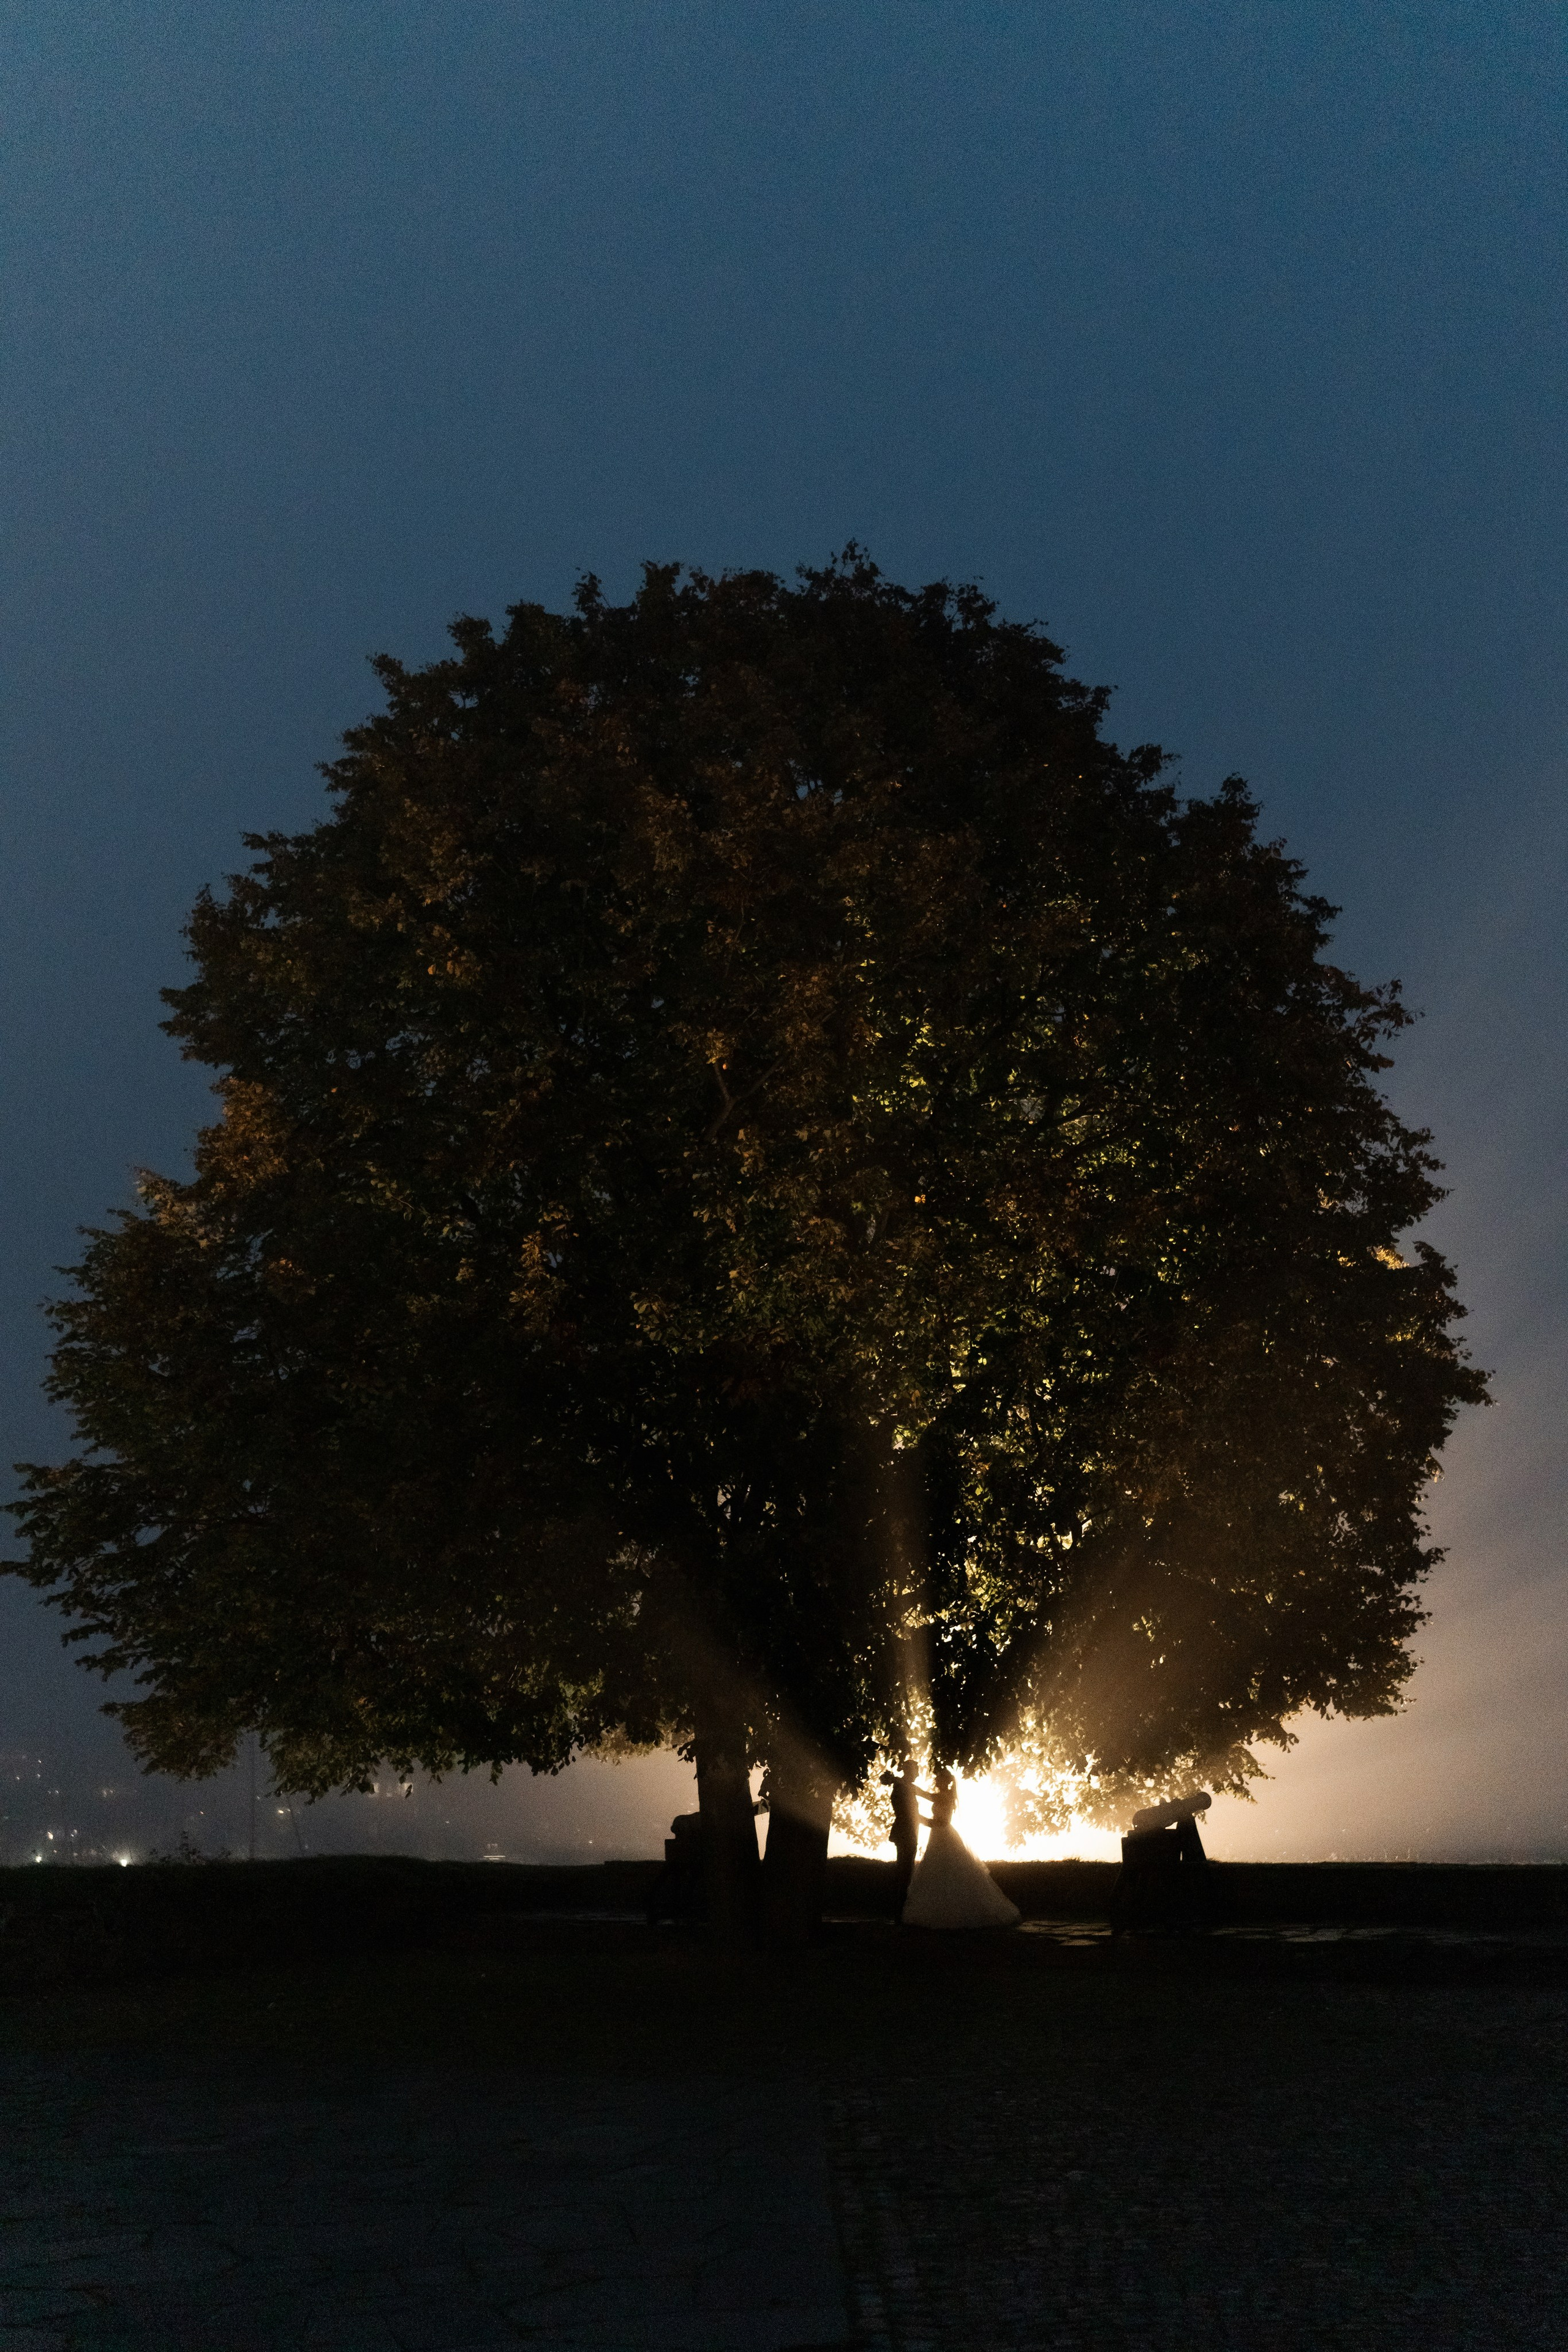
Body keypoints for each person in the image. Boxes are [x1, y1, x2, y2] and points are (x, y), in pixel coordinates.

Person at [900, 1766, 1020, 1931]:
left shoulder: (945, 1796)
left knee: (946, 1870)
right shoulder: (944, 1795)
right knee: (939, 1870)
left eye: (938, 1778)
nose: (935, 1780)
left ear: (944, 1781)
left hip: (942, 1834)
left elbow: (938, 1817)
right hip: (938, 1835)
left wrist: (919, 1818)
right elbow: (922, 1793)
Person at [880, 1765, 924, 1921]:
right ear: (909, 1771)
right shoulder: (902, 1788)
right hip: (906, 1833)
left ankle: (902, 1910)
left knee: (905, 1870)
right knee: (904, 1871)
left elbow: (927, 1795)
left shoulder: (907, 1787)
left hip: (908, 1833)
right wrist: (934, 1823)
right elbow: (909, 1813)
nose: (918, 1775)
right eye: (917, 1771)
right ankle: (901, 1911)